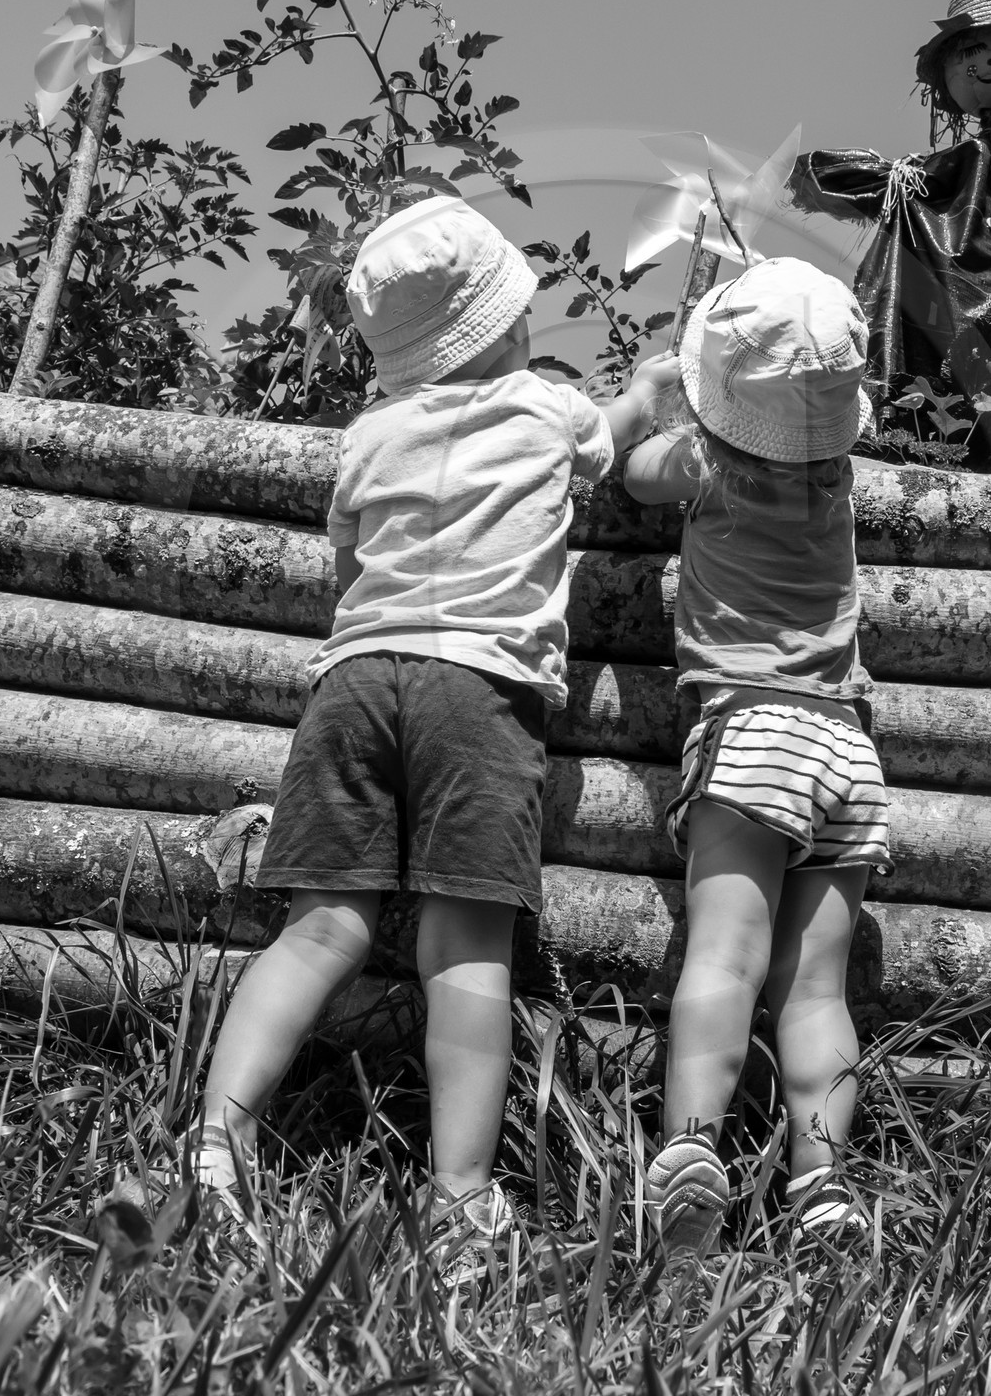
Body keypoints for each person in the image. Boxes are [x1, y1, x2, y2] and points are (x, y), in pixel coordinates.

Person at [196, 195, 679, 1256]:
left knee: (321, 926)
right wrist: (647, 387)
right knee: (465, 944)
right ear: (504, 322)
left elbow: (346, 569)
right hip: (478, 688)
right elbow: (607, 438)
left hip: (355, 679)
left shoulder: (368, 435)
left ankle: (215, 1146)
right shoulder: (546, 408)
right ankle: (457, 1190)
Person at [623, 256, 888, 1255]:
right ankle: (821, 1184)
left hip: (752, 732)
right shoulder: (838, 477)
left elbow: (631, 472)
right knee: (814, 990)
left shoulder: (704, 465)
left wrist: (652, 400)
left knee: (725, 961)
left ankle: (692, 1148)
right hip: (845, 752)